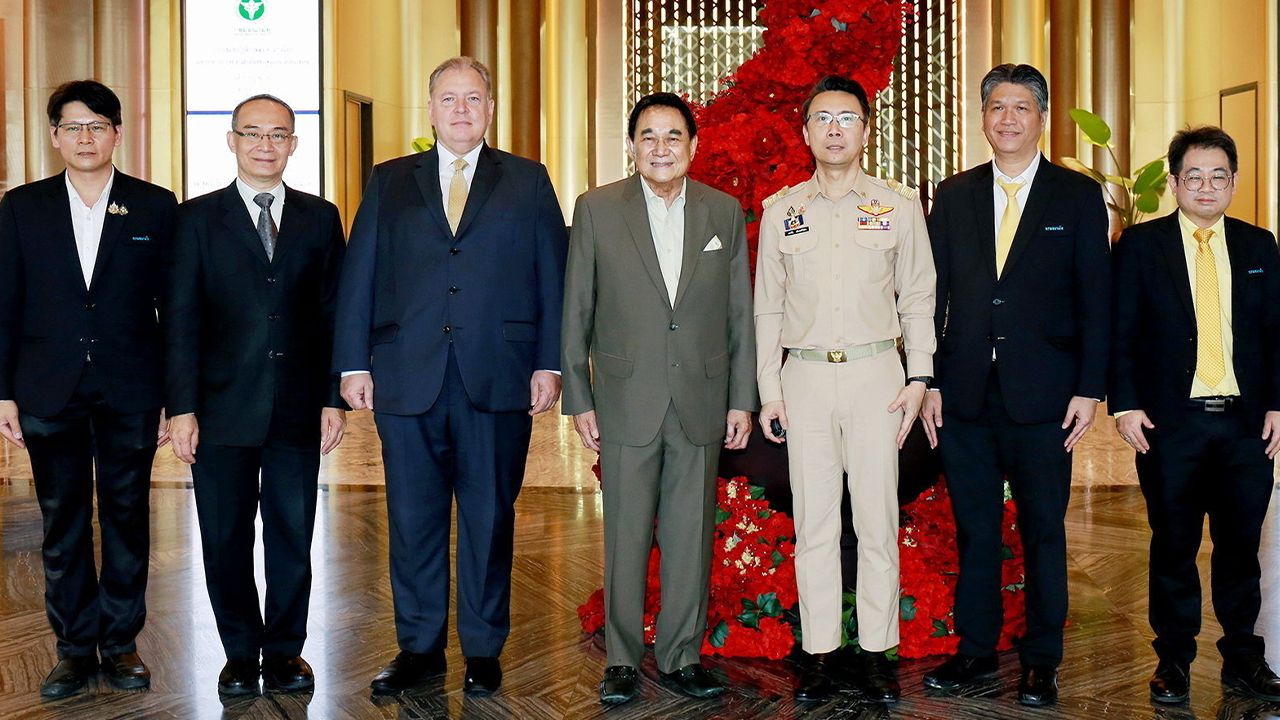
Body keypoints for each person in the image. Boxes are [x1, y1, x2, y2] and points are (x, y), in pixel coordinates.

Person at [332, 56, 567, 696]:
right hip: (408, 379)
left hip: (500, 377)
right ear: (430, 109)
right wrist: (352, 361)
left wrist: (550, 361)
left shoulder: (527, 180)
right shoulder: (388, 181)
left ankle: (485, 650)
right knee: (412, 520)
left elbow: (554, 278)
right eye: (447, 99)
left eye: (472, 99)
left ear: (490, 109)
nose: (460, 110)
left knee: (491, 518)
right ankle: (420, 649)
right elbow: (361, 276)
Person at [920, 63, 1110, 707]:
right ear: (982, 118)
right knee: (975, 527)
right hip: (966, 394)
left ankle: (1043, 660)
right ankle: (975, 651)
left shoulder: (1076, 196)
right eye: (997, 106)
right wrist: (931, 380)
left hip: (1046, 398)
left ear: (1041, 117)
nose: (1008, 118)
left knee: (1042, 530)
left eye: (1022, 107)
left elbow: (1096, 300)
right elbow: (932, 295)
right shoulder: (953, 195)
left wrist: (1089, 388)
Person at [561, 92, 757, 706]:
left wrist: (740, 399)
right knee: (623, 533)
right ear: (632, 146)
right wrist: (579, 395)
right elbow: (577, 309)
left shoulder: (722, 213)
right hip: (624, 398)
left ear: (693, 146)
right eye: (648, 135)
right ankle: (621, 658)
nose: (662, 147)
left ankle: (680, 654)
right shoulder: (597, 209)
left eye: (674, 136)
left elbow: (739, 315)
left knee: (689, 532)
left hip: (701, 397)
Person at [755, 75, 935, 704]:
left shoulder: (898, 205)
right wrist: (768, 389)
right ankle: (821, 652)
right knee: (815, 521)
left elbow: (917, 296)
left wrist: (920, 377)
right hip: (803, 376)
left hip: (876, 378)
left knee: (879, 520)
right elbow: (767, 309)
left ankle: (877, 652)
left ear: (866, 129)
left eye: (848, 118)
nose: (835, 128)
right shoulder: (784, 210)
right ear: (806, 132)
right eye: (823, 118)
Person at [165, 94, 347, 696]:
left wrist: (332, 398)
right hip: (219, 410)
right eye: (252, 133)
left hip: (297, 407)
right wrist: (181, 407)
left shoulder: (321, 218)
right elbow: (181, 320)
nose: (265, 145)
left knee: (293, 534)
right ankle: (241, 653)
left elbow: (332, 315)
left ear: (294, 143)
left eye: (278, 134)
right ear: (232, 140)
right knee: (224, 537)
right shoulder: (195, 219)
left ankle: (286, 652)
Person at [0, 80, 176, 698]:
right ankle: (74, 648)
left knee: (128, 517)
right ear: (54, 136)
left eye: (97, 126)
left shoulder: (155, 206)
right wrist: (4, 394)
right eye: (72, 127)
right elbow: (7, 305)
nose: (85, 137)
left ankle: (121, 644)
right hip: (49, 389)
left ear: (117, 134)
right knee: (62, 520)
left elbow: (173, 311)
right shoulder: (23, 207)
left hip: (131, 389)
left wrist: (174, 400)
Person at [1110, 126, 1280, 704]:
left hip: (1244, 425)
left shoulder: (1260, 246)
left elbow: (1275, 334)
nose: (1207, 186)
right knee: (1173, 544)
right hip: (1171, 424)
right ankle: (1174, 661)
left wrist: (1279, 402)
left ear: (1233, 181)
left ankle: (1242, 659)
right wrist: (1125, 404)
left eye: (1219, 176)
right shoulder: (1140, 245)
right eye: (1194, 176)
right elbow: (1122, 332)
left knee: (1240, 548)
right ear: (1175, 182)